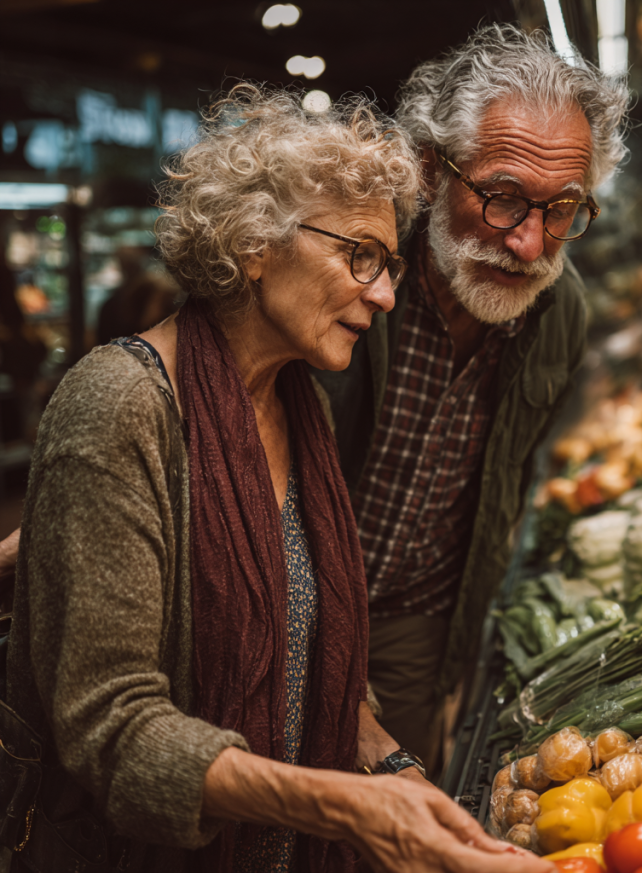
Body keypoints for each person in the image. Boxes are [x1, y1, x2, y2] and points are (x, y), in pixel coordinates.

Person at [6, 85, 552, 873]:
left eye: (390, 262)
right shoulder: (120, 405)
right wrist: (340, 804)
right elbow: (113, 731)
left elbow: (308, 667)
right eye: (359, 254)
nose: (386, 293)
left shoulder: (302, 409)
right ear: (255, 244)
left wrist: (398, 775)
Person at [313, 24, 630, 774]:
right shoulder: (348, 273)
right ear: (428, 169)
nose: (530, 242)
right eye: (503, 198)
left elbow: (502, 492)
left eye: (563, 209)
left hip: (414, 630)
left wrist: (456, 661)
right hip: (283, 595)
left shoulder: (560, 315)